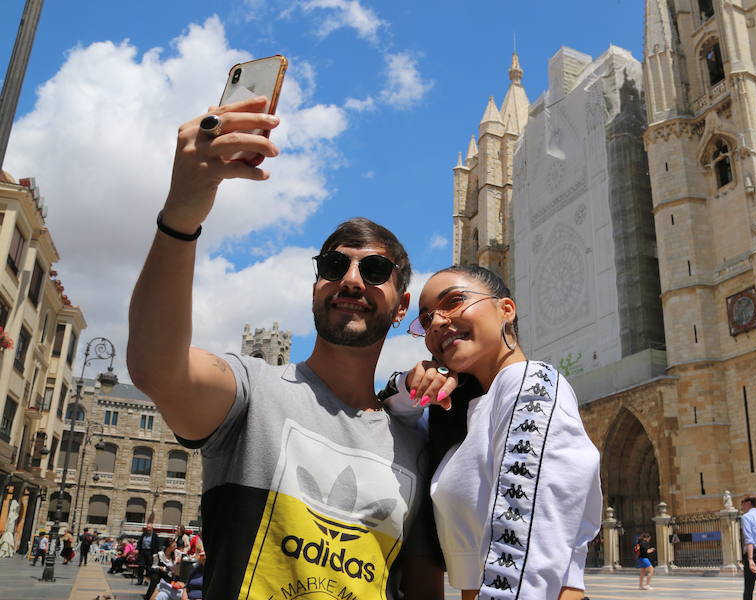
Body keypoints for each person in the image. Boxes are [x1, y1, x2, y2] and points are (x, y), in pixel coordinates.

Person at [128, 97, 439, 600]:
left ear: (401, 305)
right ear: (316, 286)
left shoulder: (414, 443)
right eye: (334, 267)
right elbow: (156, 369)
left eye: (375, 271)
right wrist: (181, 216)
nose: (352, 280)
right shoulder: (254, 392)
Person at [387, 265, 602, 599]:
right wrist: (412, 382)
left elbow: (525, 553)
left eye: (454, 301)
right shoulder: (472, 413)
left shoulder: (531, 384)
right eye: (427, 319)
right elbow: (383, 415)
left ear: (506, 309)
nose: (438, 322)